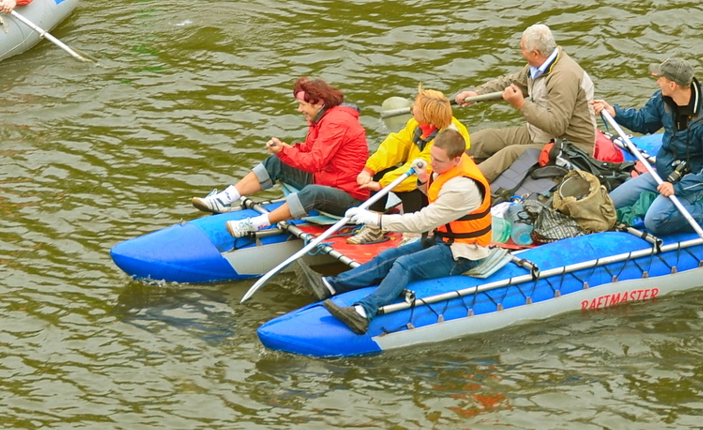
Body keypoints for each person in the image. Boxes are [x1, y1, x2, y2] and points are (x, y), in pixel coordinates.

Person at [289, 129, 499, 335]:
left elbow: (421, 222)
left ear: (456, 160)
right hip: (444, 240)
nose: (433, 163)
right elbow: (436, 196)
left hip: (464, 252)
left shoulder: (463, 188)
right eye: (432, 157)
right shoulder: (445, 169)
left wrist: (377, 220)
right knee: (388, 256)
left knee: (405, 265)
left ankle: (363, 312)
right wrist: (424, 178)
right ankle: (331, 286)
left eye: (438, 161)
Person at [220, 88, 468, 238]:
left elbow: (419, 169)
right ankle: (226, 197)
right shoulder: (416, 125)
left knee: (315, 191)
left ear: (428, 115)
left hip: (432, 187)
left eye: (417, 105)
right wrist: (370, 168)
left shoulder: (448, 138)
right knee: (383, 167)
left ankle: (408, 231)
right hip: (357, 184)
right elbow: (395, 145)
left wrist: (380, 183)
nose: (411, 107)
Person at [192, 78, 369, 237]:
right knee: (279, 161)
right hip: (327, 180)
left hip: (350, 197)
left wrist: (284, 151)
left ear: (318, 103)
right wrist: (285, 149)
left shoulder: (336, 123)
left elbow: (315, 162)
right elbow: (309, 151)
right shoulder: (323, 119)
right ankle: (225, 198)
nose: (300, 109)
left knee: (312, 192)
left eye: (302, 104)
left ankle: (255, 224)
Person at [590, 56, 703, 235]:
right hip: (664, 173)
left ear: (672, 85)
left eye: (660, 79)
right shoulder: (663, 99)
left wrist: (677, 188)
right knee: (608, 204)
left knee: (655, 221)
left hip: (692, 181)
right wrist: (615, 112)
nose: (657, 82)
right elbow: (644, 122)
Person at [454, 23, 597, 183]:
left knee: (509, 153)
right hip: (538, 133)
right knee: (484, 138)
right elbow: (512, 83)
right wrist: (477, 93)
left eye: (522, 49)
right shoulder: (538, 65)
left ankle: (464, 185)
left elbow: (557, 125)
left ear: (535, 53)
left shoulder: (563, 77)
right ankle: (441, 163)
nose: (521, 52)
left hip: (568, 145)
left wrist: (522, 104)